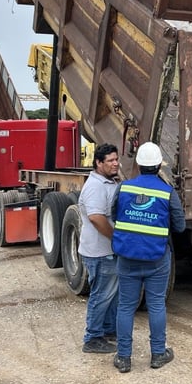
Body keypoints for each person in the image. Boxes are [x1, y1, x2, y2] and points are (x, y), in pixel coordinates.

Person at [111, 142, 186, 373]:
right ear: (158, 166)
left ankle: (123, 358)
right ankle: (157, 354)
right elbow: (180, 226)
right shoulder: (167, 192)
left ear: (139, 165)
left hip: (127, 257)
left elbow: (114, 215)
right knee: (155, 305)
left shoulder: (124, 188)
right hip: (156, 258)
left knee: (125, 306)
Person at [78, 143, 121, 354]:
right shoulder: (95, 186)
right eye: (110, 161)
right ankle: (93, 338)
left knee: (112, 294)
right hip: (100, 251)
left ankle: (108, 330)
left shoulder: (108, 182)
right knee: (102, 294)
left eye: (116, 159)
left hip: (106, 250)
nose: (115, 163)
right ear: (98, 163)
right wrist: (116, 239)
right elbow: (96, 217)